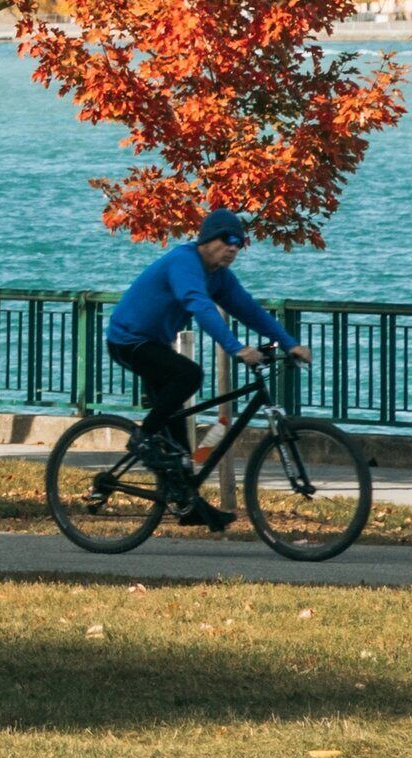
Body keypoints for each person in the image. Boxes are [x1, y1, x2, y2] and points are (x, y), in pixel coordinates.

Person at [101, 206, 308, 530]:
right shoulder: (184, 262)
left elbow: (249, 310)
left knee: (178, 446)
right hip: (129, 340)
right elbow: (199, 306)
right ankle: (141, 438)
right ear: (207, 239)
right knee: (189, 374)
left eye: (239, 243)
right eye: (227, 240)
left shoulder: (219, 276)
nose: (233, 248)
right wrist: (236, 348)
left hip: (155, 343)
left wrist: (288, 343)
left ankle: (188, 507)